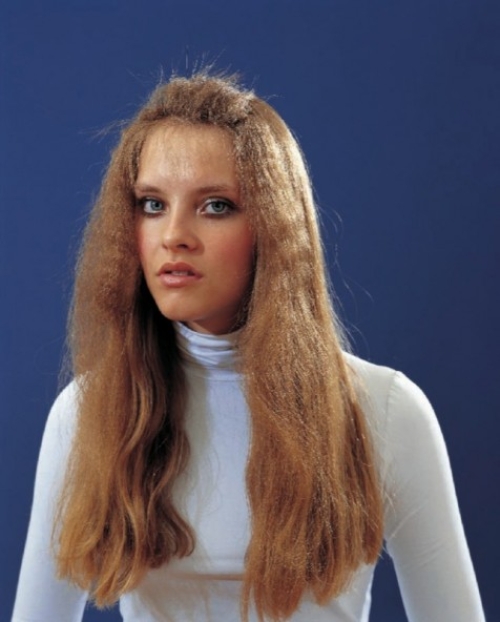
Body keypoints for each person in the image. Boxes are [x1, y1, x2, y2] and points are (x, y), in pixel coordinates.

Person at [12, 72, 485, 622]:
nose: (174, 235)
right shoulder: (88, 413)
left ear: (274, 226)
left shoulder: (383, 410)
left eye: (215, 206)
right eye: (152, 204)